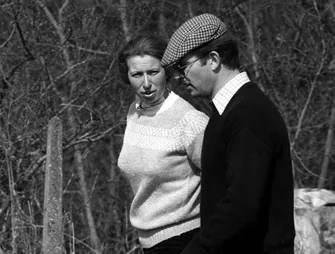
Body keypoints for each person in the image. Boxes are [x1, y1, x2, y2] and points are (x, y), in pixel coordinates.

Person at [161, 13, 295, 254]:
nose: (180, 78)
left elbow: (241, 206)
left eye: (183, 66)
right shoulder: (228, 112)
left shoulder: (248, 116)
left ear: (213, 59)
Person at [117, 34, 209, 253]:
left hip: (185, 239)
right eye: (137, 74)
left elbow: (223, 180)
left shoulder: (189, 121)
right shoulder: (134, 113)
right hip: (147, 241)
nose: (146, 83)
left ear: (166, 71)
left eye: (153, 72)